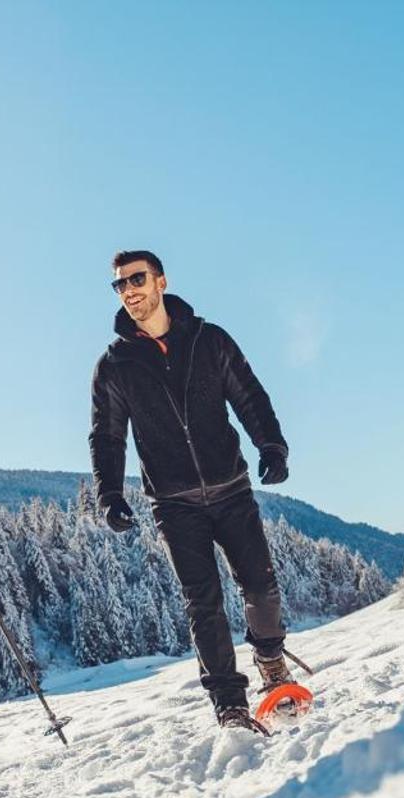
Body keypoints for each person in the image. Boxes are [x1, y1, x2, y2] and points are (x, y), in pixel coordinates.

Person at [88, 250, 297, 733]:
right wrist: (110, 494)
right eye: (119, 285)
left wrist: (271, 445)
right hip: (174, 503)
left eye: (136, 279)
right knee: (203, 603)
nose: (129, 290)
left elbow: (249, 394)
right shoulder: (115, 365)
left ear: (161, 281)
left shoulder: (209, 340)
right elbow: (108, 435)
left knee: (262, 588)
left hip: (231, 488)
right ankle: (229, 704)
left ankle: (270, 659)